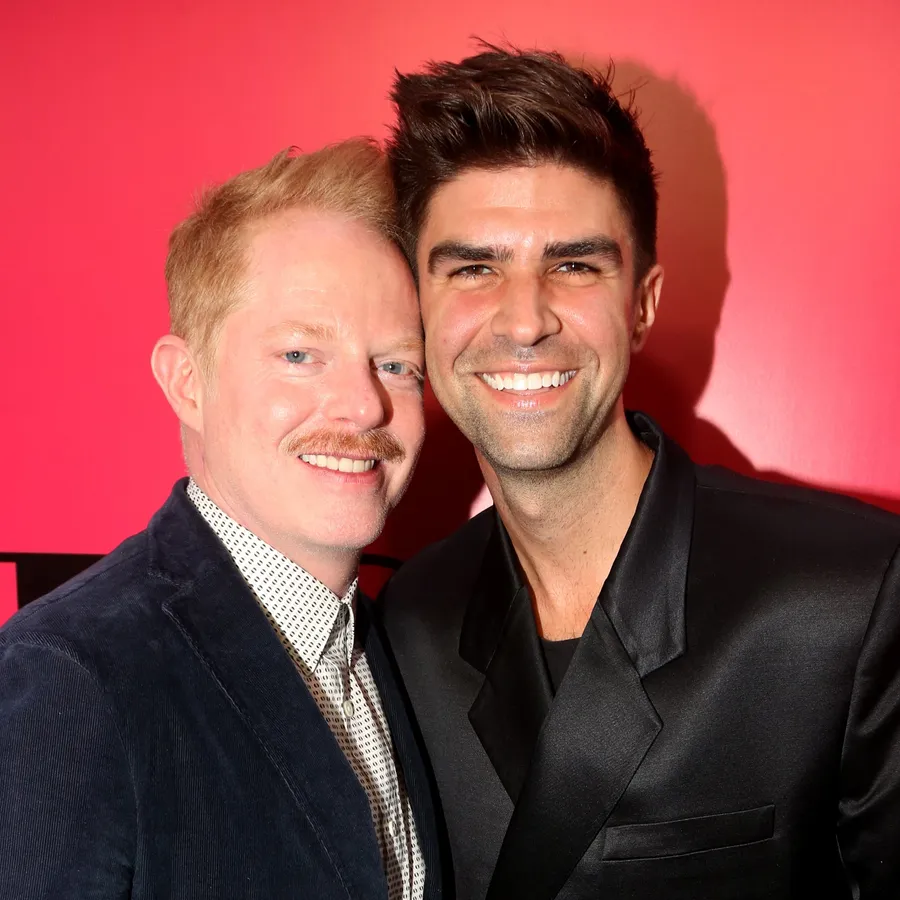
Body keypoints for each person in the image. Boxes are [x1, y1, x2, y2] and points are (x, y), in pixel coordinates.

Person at [379, 46, 900, 900]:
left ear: (643, 305)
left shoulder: (852, 597)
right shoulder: (409, 619)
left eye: (573, 266)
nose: (524, 320)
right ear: (419, 310)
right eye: (473, 268)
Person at [0, 140, 442, 899]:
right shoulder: (72, 673)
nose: (365, 405)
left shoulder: (398, 652)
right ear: (187, 382)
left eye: (397, 364)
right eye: (300, 354)